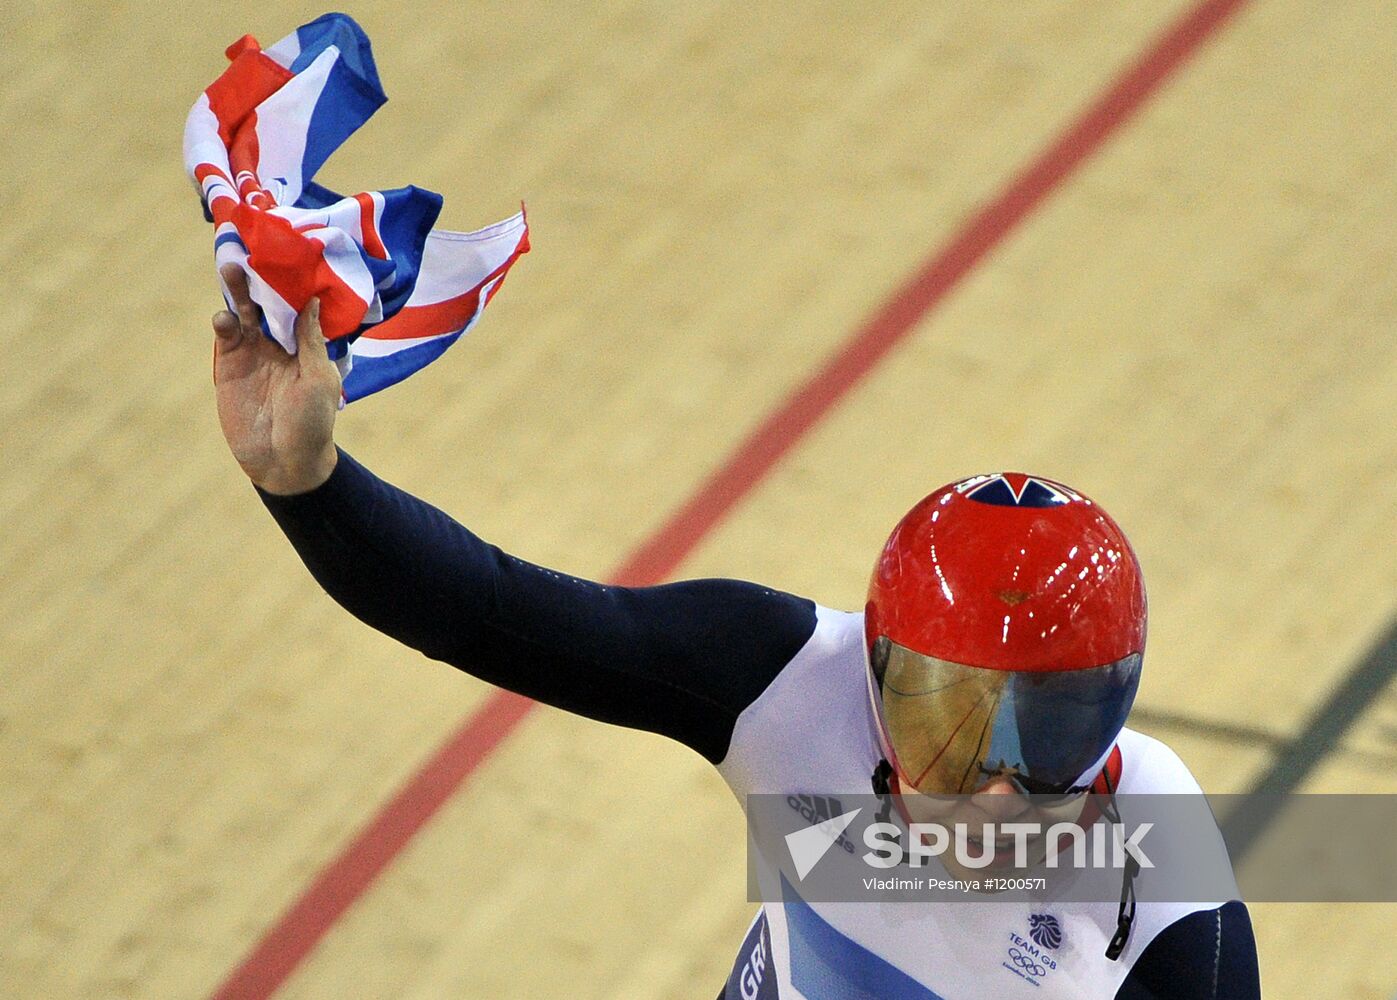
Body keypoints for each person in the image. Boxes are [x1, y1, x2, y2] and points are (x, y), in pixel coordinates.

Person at [209, 266, 1261, 999]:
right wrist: (306, 485)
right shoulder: (785, 680)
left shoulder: (1169, 909)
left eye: (1051, 735)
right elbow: (493, 613)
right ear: (878, 684)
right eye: (958, 729)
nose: (997, 790)